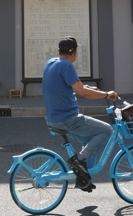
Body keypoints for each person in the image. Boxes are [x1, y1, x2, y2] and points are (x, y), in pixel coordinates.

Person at [42, 37, 118, 190]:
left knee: (90, 141)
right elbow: (83, 92)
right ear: (74, 52)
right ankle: (78, 160)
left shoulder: (51, 63)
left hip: (53, 118)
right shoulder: (67, 66)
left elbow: (74, 86)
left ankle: (83, 177)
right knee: (107, 130)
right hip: (68, 119)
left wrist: (90, 88)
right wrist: (106, 94)